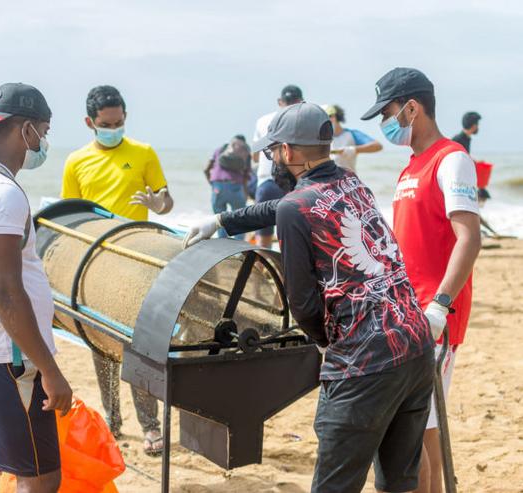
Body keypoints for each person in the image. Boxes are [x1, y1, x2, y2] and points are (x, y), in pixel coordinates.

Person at [184, 103, 436, 493]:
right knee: (398, 482)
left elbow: (302, 303)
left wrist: (326, 343)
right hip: (415, 343)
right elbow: (285, 206)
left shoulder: (295, 208)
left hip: (365, 362)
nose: (271, 162)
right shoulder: (352, 181)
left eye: (271, 154)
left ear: (286, 152)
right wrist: (222, 221)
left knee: (334, 485)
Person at [360, 67, 481, 493]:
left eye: (388, 113)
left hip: (435, 317)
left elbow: (469, 237)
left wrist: (440, 306)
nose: (384, 125)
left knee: (416, 430)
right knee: (420, 428)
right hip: (406, 313)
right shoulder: (411, 168)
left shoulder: (452, 160)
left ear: (412, 108)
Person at [0, 83, 73, 493]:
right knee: (40, 478)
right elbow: (6, 292)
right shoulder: (2, 194)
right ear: (25, 130)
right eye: (44, 130)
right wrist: (52, 371)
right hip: (12, 360)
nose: (44, 141)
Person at [61, 85, 172, 456]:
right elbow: (71, 215)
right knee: (100, 341)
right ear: (89, 122)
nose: (114, 128)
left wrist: (158, 203)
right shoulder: (76, 161)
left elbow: (165, 202)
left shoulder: (142, 153)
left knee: (137, 343)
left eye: (120, 122)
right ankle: (112, 422)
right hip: (97, 261)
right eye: (107, 124)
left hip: (137, 258)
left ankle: (151, 427)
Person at [250, 85, 301, 248]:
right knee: (292, 236)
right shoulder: (301, 118)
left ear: (280, 101)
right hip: (293, 183)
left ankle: (261, 271)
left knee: (263, 238)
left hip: (266, 183)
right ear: (301, 101)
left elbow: (255, 156)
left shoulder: (262, 121)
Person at [204, 135, 251, 239]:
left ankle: (222, 245)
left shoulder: (220, 150)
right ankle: (240, 249)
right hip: (236, 187)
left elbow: (206, 169)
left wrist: (213, 184)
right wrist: (246, 194)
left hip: (218, 187)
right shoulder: (246, 152)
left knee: (219, 219)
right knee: (240, 218)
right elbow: (246, 176)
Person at [322, 104, 382, 172]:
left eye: (330, 116)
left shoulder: (352, 134)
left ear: (337, 116)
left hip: (348, 179)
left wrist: (353, 149)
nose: (328, 120)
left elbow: (377, 146)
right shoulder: (318, 138)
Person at [452, 111, 491, 205]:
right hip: (457, 180)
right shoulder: (458, 139)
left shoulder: (466, 138)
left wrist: (475, 162)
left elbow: (464, 155)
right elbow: (455, 158)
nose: (478, 127)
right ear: (473, 126)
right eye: (477, 124)